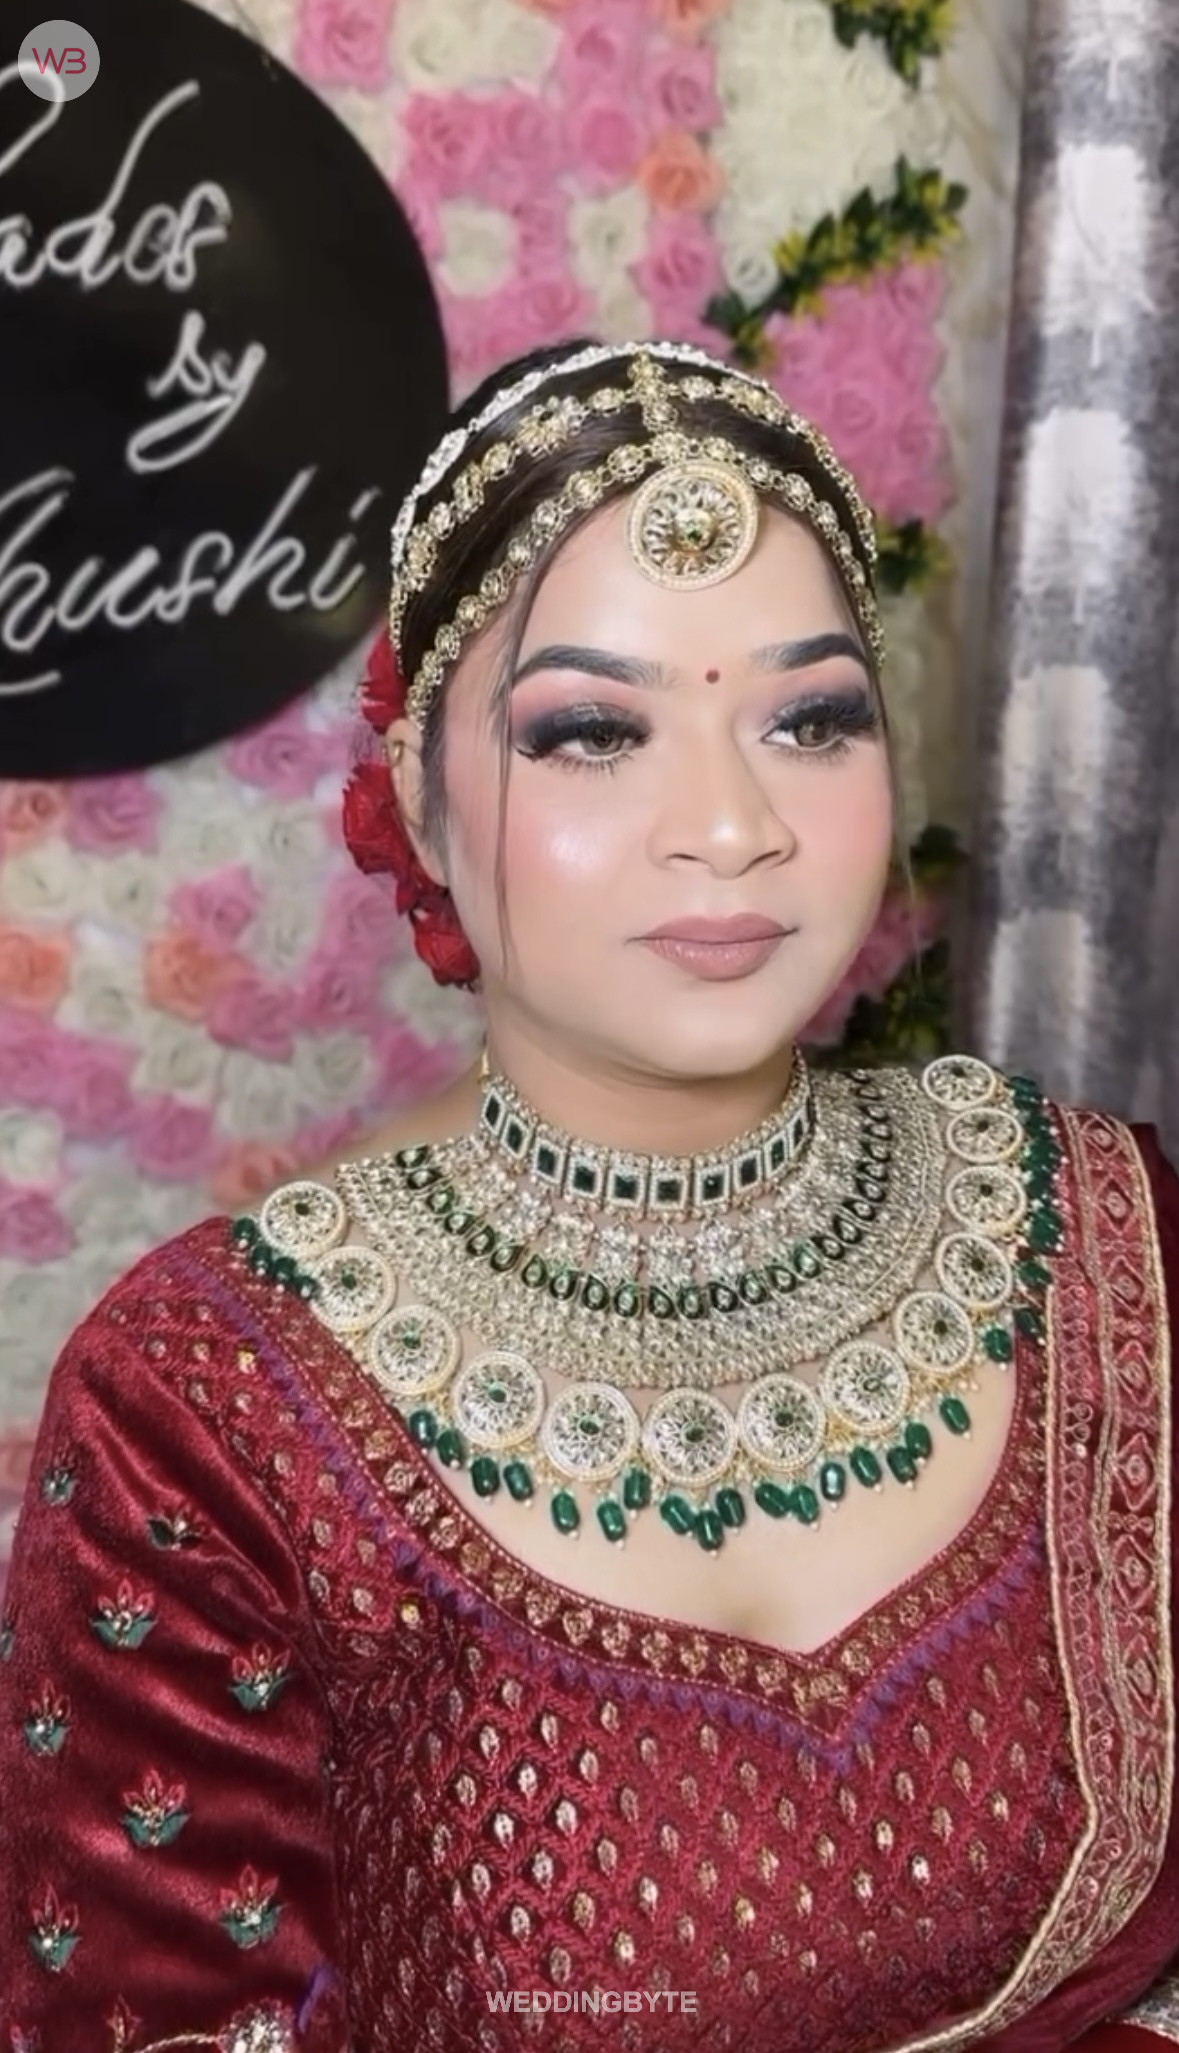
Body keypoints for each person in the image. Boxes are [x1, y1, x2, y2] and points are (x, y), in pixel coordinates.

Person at [1, 338, 1177, 2053]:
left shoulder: (1105, 1238)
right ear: (419, 794)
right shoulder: (208, 1407)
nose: (731, 824)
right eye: (594, 731)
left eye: (810, 717)